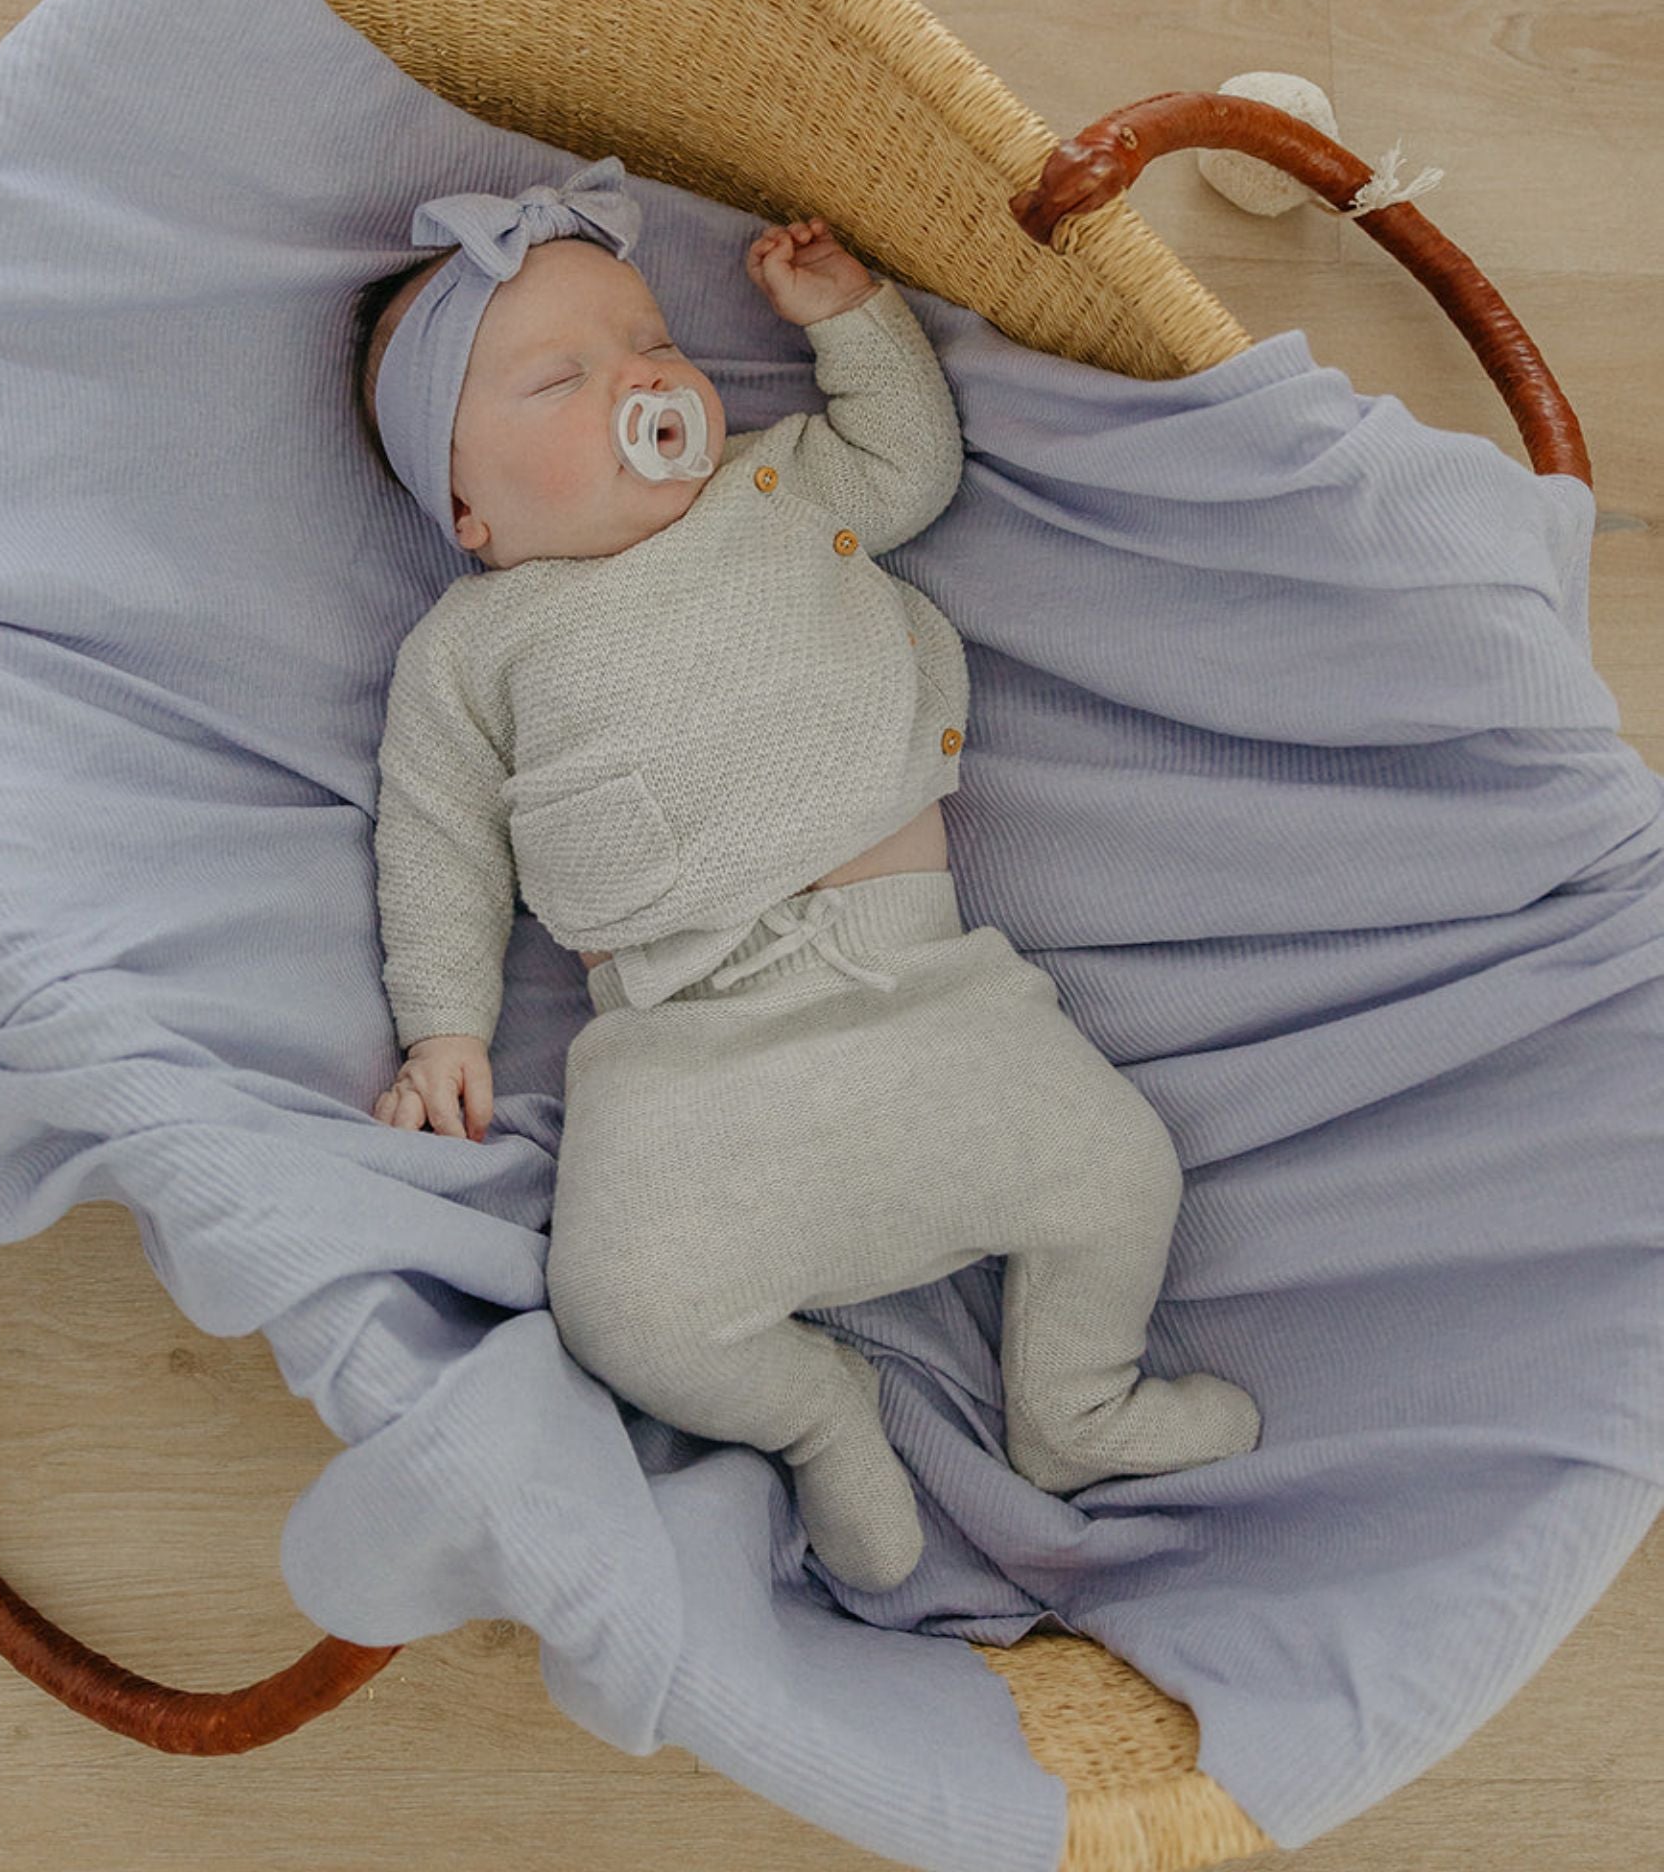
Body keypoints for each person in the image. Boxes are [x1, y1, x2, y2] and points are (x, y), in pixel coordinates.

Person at [355, 157, 1259, 1589]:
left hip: (920, 987)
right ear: (468, 511)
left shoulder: (773, 487)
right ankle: (821, 1417)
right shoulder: (473, 647)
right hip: (682, 1046)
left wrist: (852, 320)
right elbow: (436, 840)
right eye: (561, 380)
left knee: (1117, 1171)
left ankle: (1075, 1407)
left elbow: (910, 464)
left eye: (653, 341)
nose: (640, 380)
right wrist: (445, 1027)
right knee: (619, 1310)